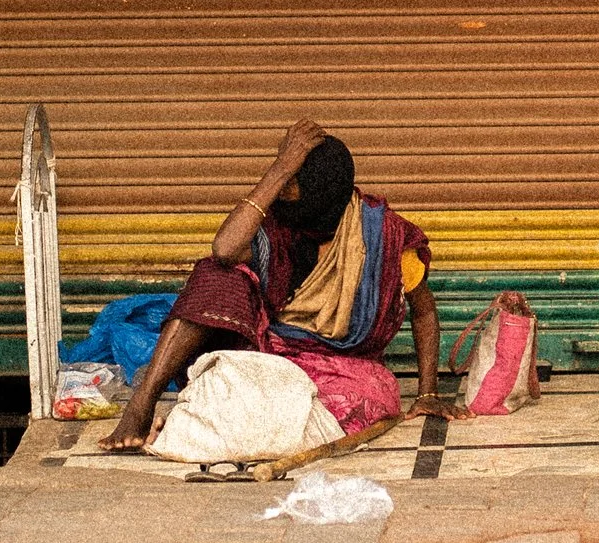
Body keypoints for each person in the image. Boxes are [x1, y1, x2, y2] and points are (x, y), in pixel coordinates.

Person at [99, 120, 464, 451]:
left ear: (320, 191)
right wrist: (280, 168)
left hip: (344, 365)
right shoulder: (276, 226)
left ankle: (195, 427)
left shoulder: (384, 236)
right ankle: (142, 405)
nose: (282, 191)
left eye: (291, 182)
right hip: (272, 349)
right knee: (214, 275)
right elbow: (225, 249)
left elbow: (424, 310)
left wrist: (428, 390)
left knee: (296, 411)